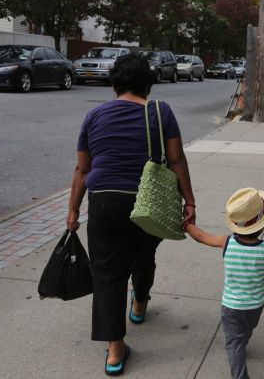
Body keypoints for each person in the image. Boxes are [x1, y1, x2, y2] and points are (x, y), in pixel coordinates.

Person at [66, 53, 196, 376]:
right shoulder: (160, 112)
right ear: (148, 85)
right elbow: (177, 160)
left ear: (114, 84)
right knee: (144, 254)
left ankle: (115, 351)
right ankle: (139, 302)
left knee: (108, 275)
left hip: (104, 203)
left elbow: (83, 168)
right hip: (147, 201)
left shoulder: (94, 116)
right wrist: (189, 202)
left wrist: (73, 210)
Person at [184, 187, 264, 379]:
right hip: (255, 306)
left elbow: (200, 237)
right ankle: (243, 347)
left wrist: (188, 224)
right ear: (262, 224)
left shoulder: (226, 242)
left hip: (231, 306)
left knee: (234, 343)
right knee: (247, 330)